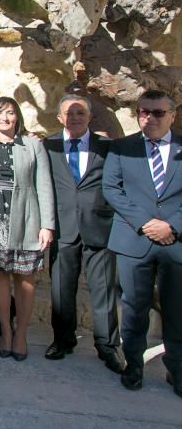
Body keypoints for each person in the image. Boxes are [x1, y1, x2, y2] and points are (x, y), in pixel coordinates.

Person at [103, 89, 182, 396]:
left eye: (158, 113)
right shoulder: (123, 147)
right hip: (135, 239)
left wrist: (171, 225)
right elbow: (112, 188)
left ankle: (176, 369)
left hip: (175, 241)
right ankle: (133, 366)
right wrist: (146, 223)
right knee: (134, 308)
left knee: (176, 310)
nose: (149, 118)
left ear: (172, 115)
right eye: (143, 112)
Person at [43, 94, 124, 372]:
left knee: (103, 290)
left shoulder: (108, 147)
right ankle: (63, 340)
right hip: (63, 227)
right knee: (61, 289)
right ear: (59, 117)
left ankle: (107, 345)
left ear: (89, 117)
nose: (74, 117)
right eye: (68, 113)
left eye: (80, 113)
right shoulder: (49, 145)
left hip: (98, 226)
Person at [0, 97, 55, 361]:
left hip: (25, 217)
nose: (5, 119)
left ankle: (21, 333)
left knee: (25, 277)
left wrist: (47, 225)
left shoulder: (32, 145)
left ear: (17, 117)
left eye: (10, 113)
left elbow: (44, 186)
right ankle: (5, 331)